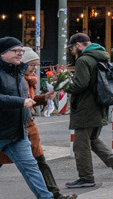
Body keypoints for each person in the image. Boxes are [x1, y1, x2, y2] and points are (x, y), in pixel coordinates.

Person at [65, 32, 113, 188]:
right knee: (92, 139)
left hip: (85, 107)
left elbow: (81, 84)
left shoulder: (83, 60)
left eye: (72, 48)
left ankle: (86, 178)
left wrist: (65, 87)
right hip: (100, 104)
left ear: (78, 45)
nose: (72, 52)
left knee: (80, 145)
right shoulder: (101, 56)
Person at [0, 37, 55, 199]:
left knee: (31, 168)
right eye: (15, 51)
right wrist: (21, 102)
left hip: (17, 134)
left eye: (21, 51)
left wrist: (44, 98)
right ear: (2, 53)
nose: (20, 54)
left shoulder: (19, 72)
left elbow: (27, 99)